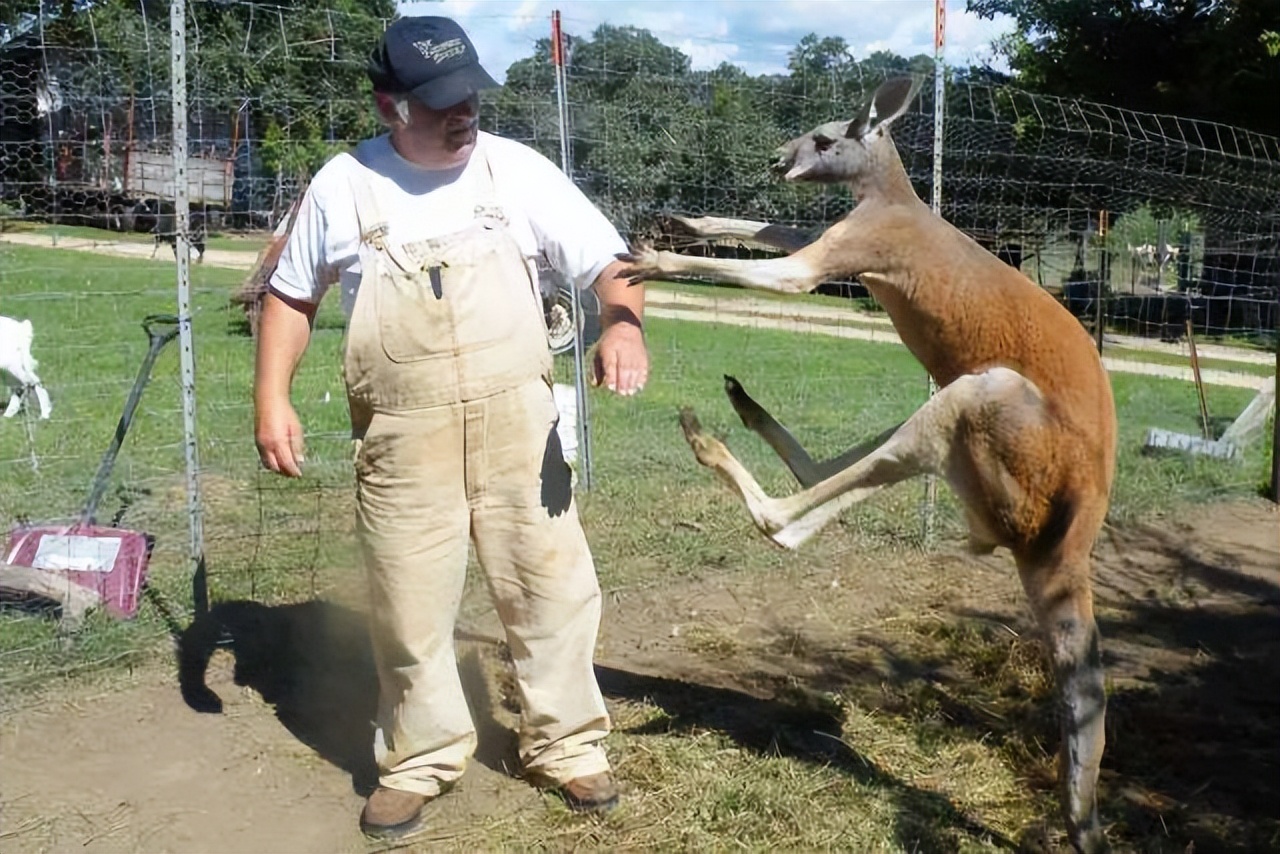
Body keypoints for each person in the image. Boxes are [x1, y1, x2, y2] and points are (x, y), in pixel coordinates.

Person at [252, 15, 649, 842]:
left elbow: (612, 265)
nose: (462, 111)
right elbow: (292, 295)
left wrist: (622, 325)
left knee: (551, 589)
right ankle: (419, 760)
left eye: (468, 94)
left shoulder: (518, 173)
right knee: (407, 605)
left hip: (518, 428)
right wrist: (271, 399)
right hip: (403, 439)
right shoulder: (343, 185)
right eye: (439, 102)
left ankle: (567, 744)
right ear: (388, 105)